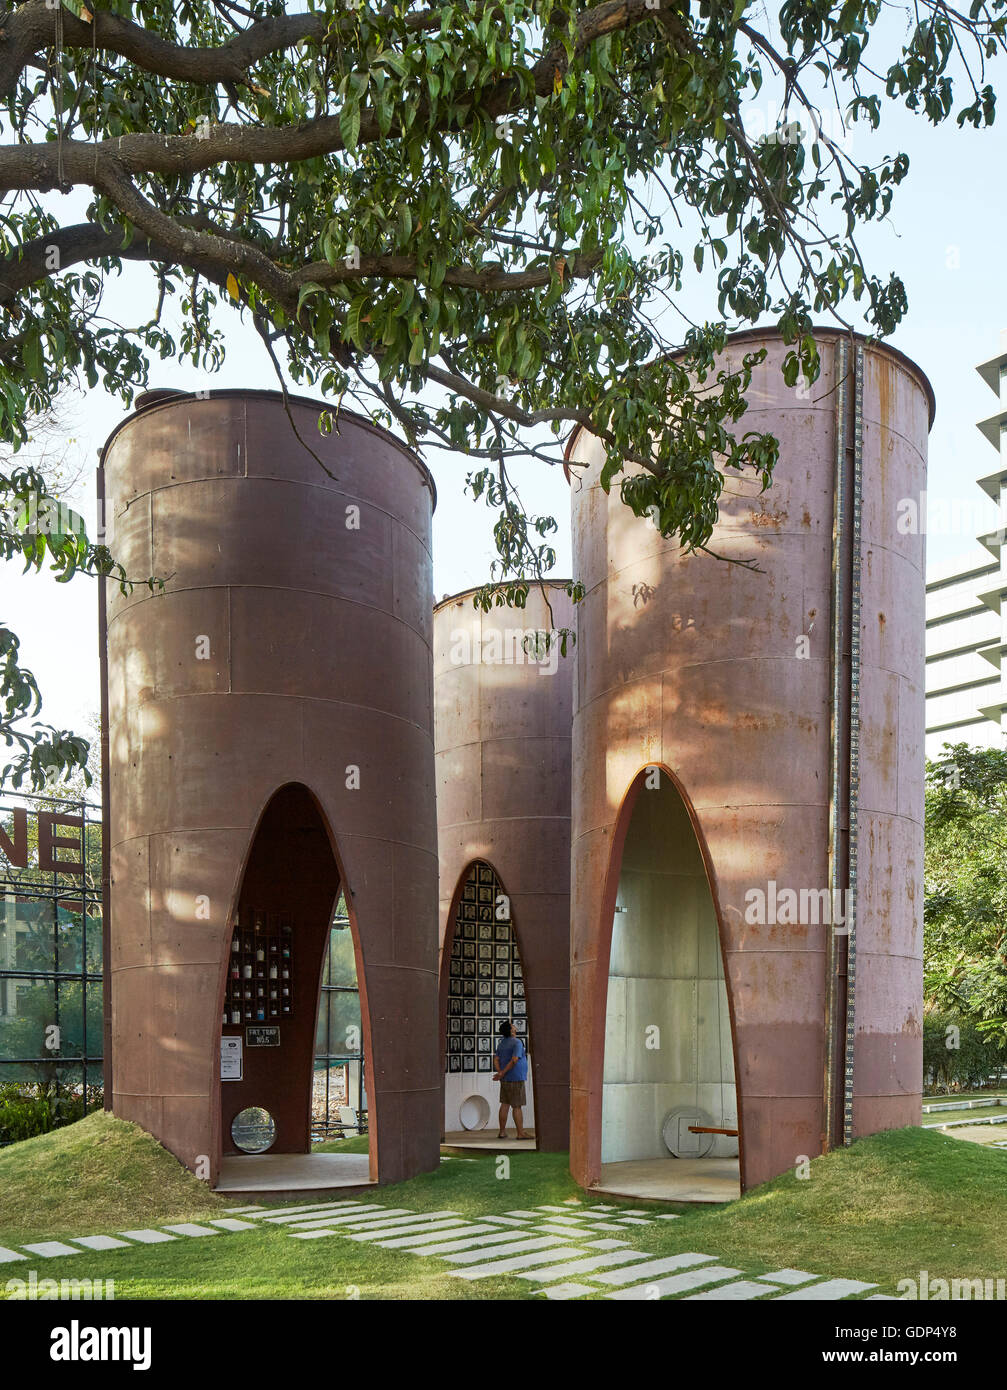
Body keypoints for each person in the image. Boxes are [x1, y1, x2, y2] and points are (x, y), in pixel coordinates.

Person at [493, 1020, 532, 1141]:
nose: (515, 1026)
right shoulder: (517, 1042)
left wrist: (500, 1073)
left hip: (505, 1079)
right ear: (511, 1030)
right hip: (516, 1078)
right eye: (512, 1025)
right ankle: (521, 1133)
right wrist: (503, 1072)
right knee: (517, 1106)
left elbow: (496, 1059)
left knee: (505, 1104)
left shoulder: (502, 1043)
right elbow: (515, 1059)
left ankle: (502, 1132)